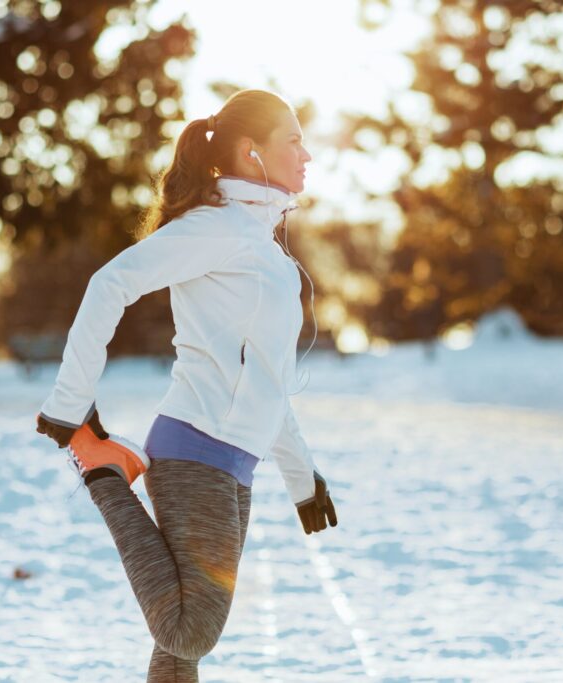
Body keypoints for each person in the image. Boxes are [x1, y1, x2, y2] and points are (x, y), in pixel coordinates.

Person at [34, 89, 338, 682]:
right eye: (294, 141)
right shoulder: (216, 228)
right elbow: (109, 283)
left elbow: (269, 380)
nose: (308, 155)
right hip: (195, 446)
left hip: (233, 464)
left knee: (180, 649)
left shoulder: (264, 249)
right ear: (251, 152)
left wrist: (302, 477)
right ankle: (104, 472)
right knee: (188, 628)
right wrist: (70, 404)